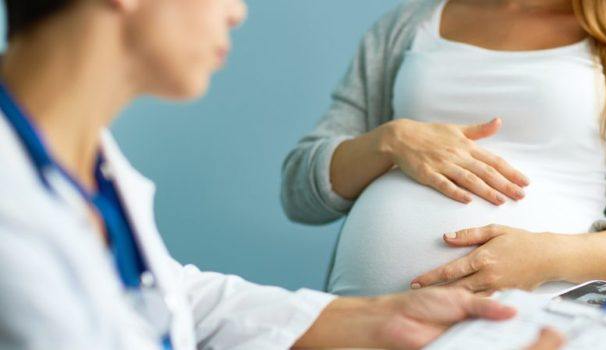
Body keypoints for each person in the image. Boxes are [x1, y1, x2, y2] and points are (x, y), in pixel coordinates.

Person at [0, 0, 563, 349]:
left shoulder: (85, 161)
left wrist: (380, 321)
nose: (237, 10)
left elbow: (168, 299)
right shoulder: (12, 210)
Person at [282, 0, 606, 296]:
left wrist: (546, 258)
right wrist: (389, 141)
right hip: (366, 327)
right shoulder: (407, 24)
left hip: (534, 326)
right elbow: (300, 192)